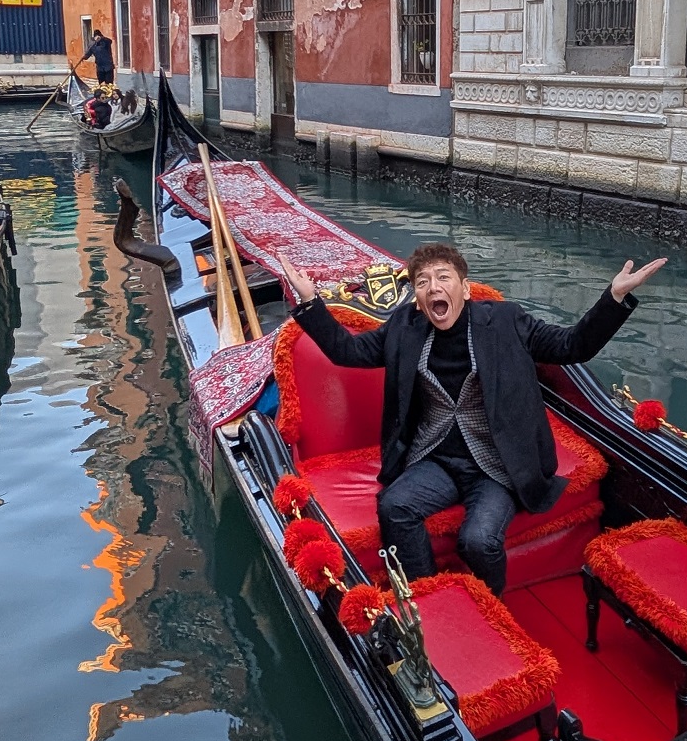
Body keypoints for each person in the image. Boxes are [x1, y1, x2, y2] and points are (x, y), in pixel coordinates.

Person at [278, 244, 666, 595]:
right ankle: (430, 595)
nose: (433, 287)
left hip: (498, 465)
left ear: (464, 289)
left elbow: (572, 345)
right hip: (437, 460)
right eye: (424, 282)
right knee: (395, 506)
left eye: (443, 278)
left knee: (478, 541)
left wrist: (614, 297)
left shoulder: (506, 321)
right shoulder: (403, 327)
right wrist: (311, 301)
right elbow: (347, 351)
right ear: (417, 299)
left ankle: (485, 603)